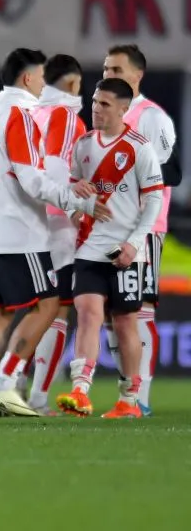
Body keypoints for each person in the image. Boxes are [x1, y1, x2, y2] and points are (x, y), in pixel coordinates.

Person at [0, 48, 105, 418]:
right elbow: (33, 178)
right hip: (23, 232)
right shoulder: (23, 116)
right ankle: (7, 385)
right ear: (28, 79)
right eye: (41, 75)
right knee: (49, 304)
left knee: (0, 312)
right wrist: (74, 200)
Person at [56, 78, 163, 419]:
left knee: (124, 323)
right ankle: (80, 390)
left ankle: (129, 400)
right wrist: (76, 206)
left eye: (104, 104)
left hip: (126, 253)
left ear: (123, 109)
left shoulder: (139, 147)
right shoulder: (83, 145)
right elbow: (73, 190)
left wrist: (134, 244)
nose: (96, 108)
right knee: (87, 313)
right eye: (95, 102)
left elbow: (154, 201)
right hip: (89, 248)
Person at [103, 44, 180, 416]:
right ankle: (126, 391)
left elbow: (175, 172)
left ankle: (141, 396)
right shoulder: (103, 115)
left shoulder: (151, 117)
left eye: (117, 70)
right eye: (105, 69)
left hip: (144, 230)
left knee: (140, 310)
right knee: (110, 313)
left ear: (137, 75)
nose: (109, 76)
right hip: (105, 229)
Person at [27, 55, 87, 414]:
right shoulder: (64, 114)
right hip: (58, 224)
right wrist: (73, 207)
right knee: (59, 309)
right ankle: (37, 396)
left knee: (32, 307)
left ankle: (4, 384)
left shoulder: (31, 113)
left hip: (28, 223)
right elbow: (56, 165)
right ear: (72, 84)